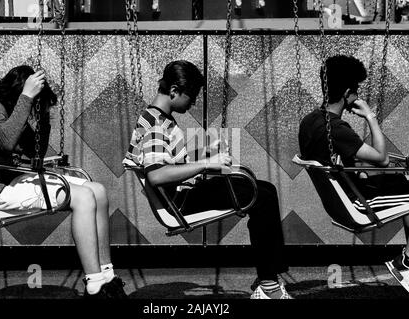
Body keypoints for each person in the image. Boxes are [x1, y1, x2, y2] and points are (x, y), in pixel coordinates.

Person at [123, 60, 292, 299]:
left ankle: (269, 276)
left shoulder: (156, 118)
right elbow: (157, 174)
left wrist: (204, 153)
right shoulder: (156, 125)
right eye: (191, 96)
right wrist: (206, 163)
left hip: (184, 195)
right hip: (182, 202)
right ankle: (269, 284)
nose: (193, 102)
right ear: (173, 91)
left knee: (263, 190)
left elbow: (167, 161)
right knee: (261, 195)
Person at [0, 65, 127, 299]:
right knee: (83, 197)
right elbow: (4, 141)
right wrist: (27, 98)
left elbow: (36, 155)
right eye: (31, 102)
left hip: (18, 181)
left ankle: (106, 275)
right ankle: (94, 285)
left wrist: (42, 116)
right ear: (19, 92)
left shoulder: (14, 110)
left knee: (98, 191)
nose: (30, 109)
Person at [298, 55, 409, 294]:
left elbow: (353, 158)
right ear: (348, 91)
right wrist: (370, 116)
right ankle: (407, 262)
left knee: (403, 182)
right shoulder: (336, 128)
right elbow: (382, 158)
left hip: (343, 198)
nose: (358, 95)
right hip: (358, 205)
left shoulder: (311, 121)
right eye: (357, 90)